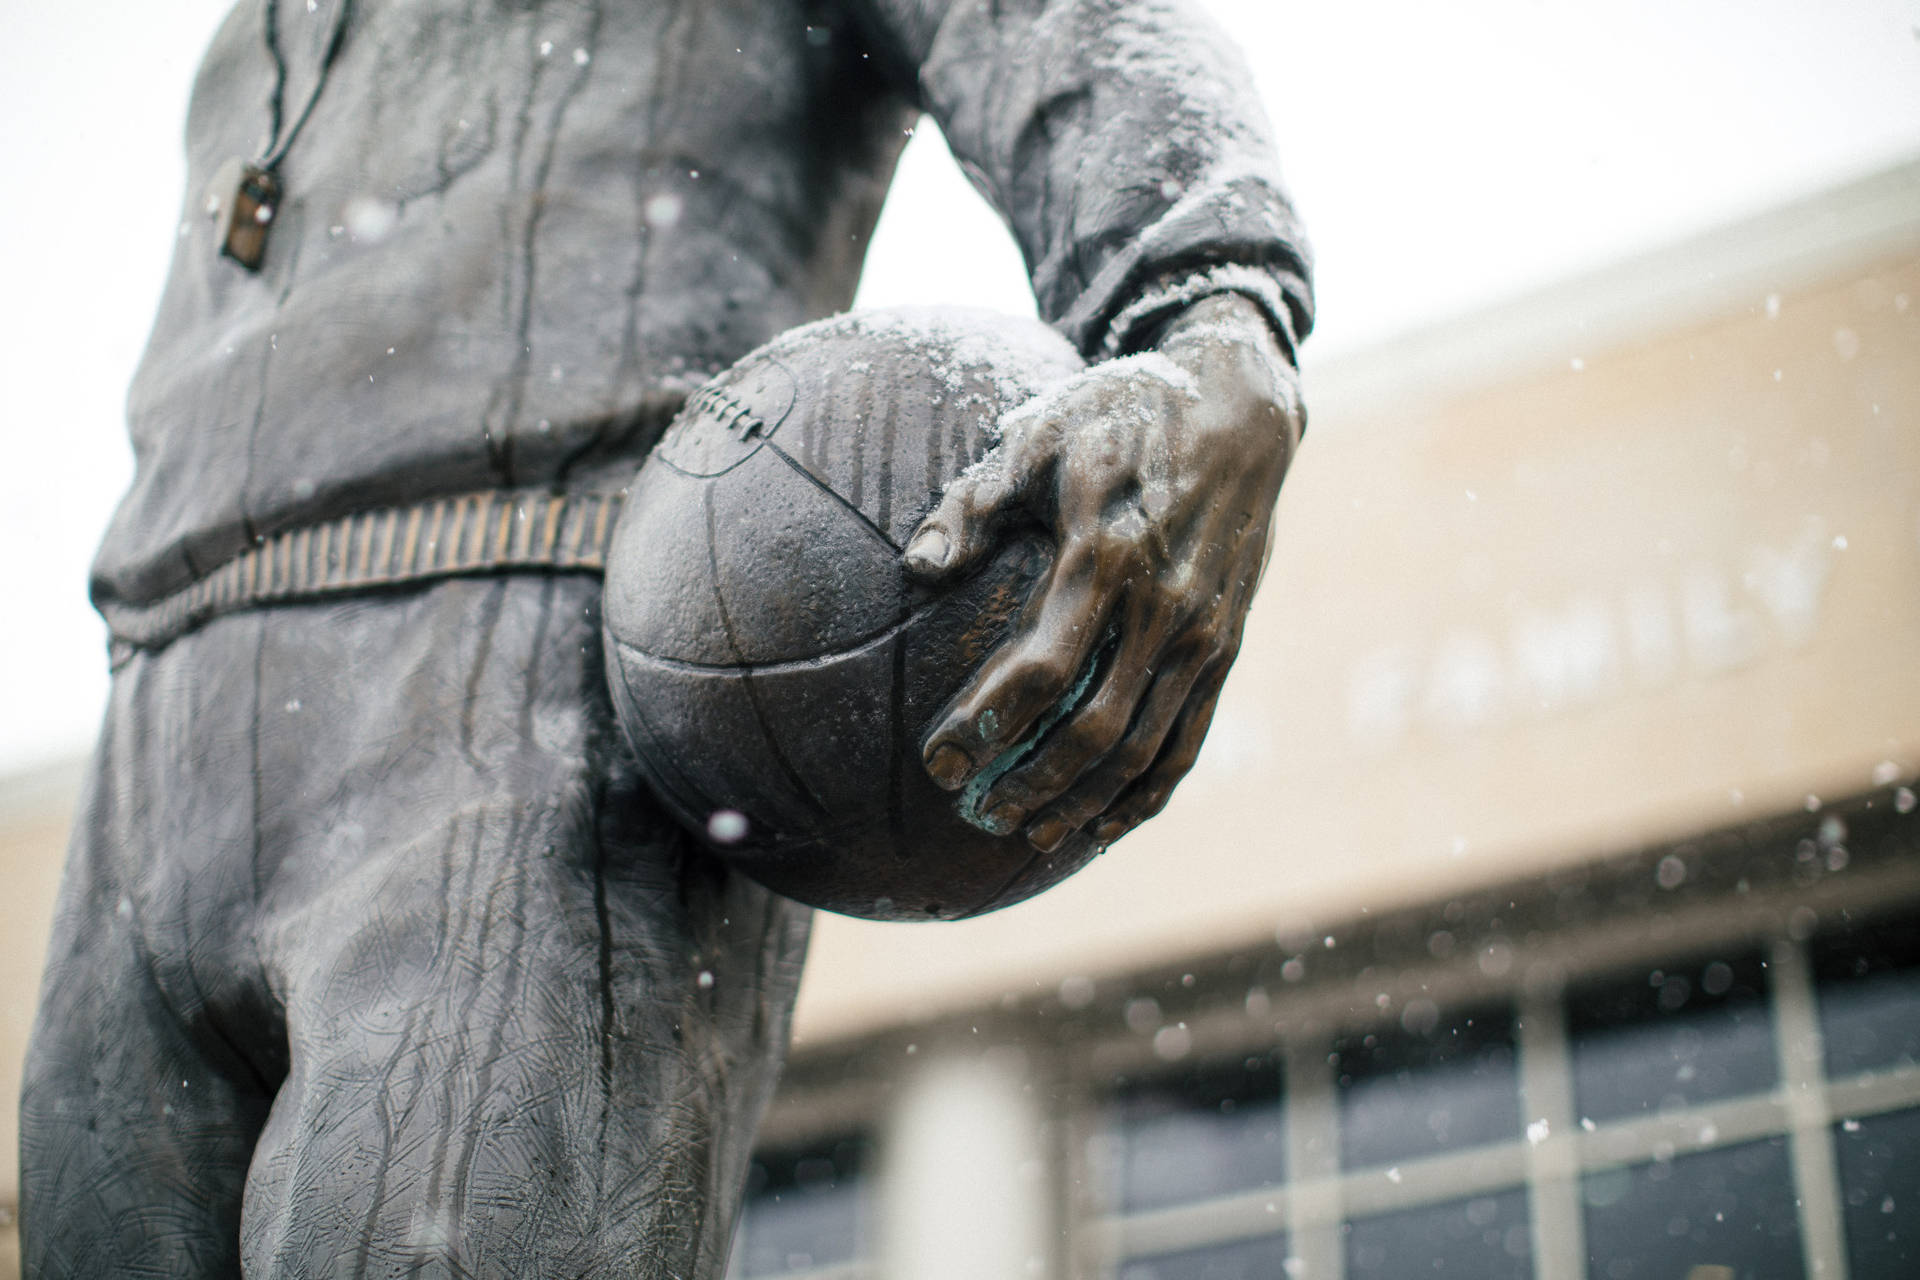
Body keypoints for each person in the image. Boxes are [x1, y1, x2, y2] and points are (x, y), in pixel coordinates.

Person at [19, 0, 1311, 1273]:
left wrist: (1211, 312)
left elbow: (1079, 31)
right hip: (151, 739)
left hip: (537, 689)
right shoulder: (245, 39)